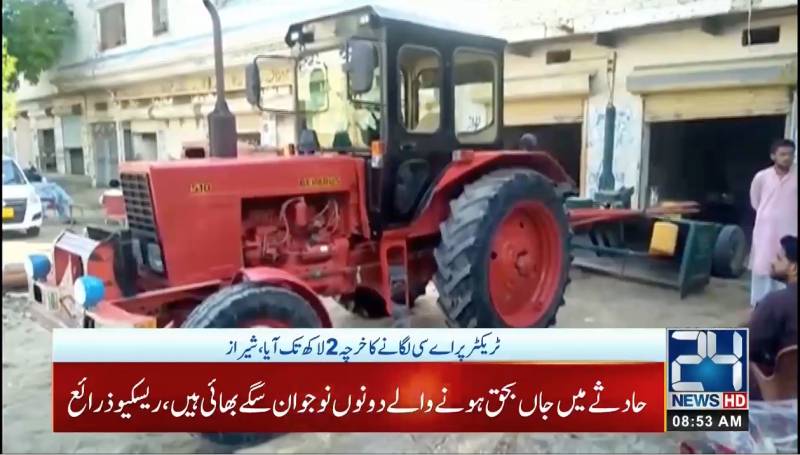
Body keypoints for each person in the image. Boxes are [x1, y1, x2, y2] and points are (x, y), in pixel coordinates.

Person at [747, 235, 797, 400]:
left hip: (778, 393)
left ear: (794, 268)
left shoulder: (776, 303)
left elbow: (746, 345)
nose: (772, 262)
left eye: (779, 258)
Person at [748, 139, 797, 307]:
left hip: (790, 231)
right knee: (763, 265)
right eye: (782, 154)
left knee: (788, 265)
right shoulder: (761, 177)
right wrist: (769, 215)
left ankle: (785, 306)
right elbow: (755, 201)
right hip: (765, 231)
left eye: (790, 154)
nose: (787, 158)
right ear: (773, 156)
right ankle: (759, 306)